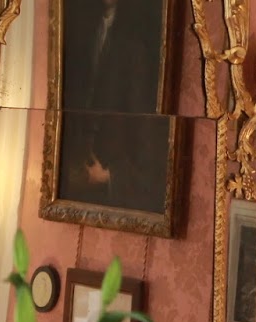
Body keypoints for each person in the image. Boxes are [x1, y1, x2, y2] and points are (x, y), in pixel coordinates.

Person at [58, 0, 172, 215]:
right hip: (78, 162)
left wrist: (114, 175)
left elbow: (144, 118)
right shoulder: (81, 27)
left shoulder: (138, 37)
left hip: (116, 164)